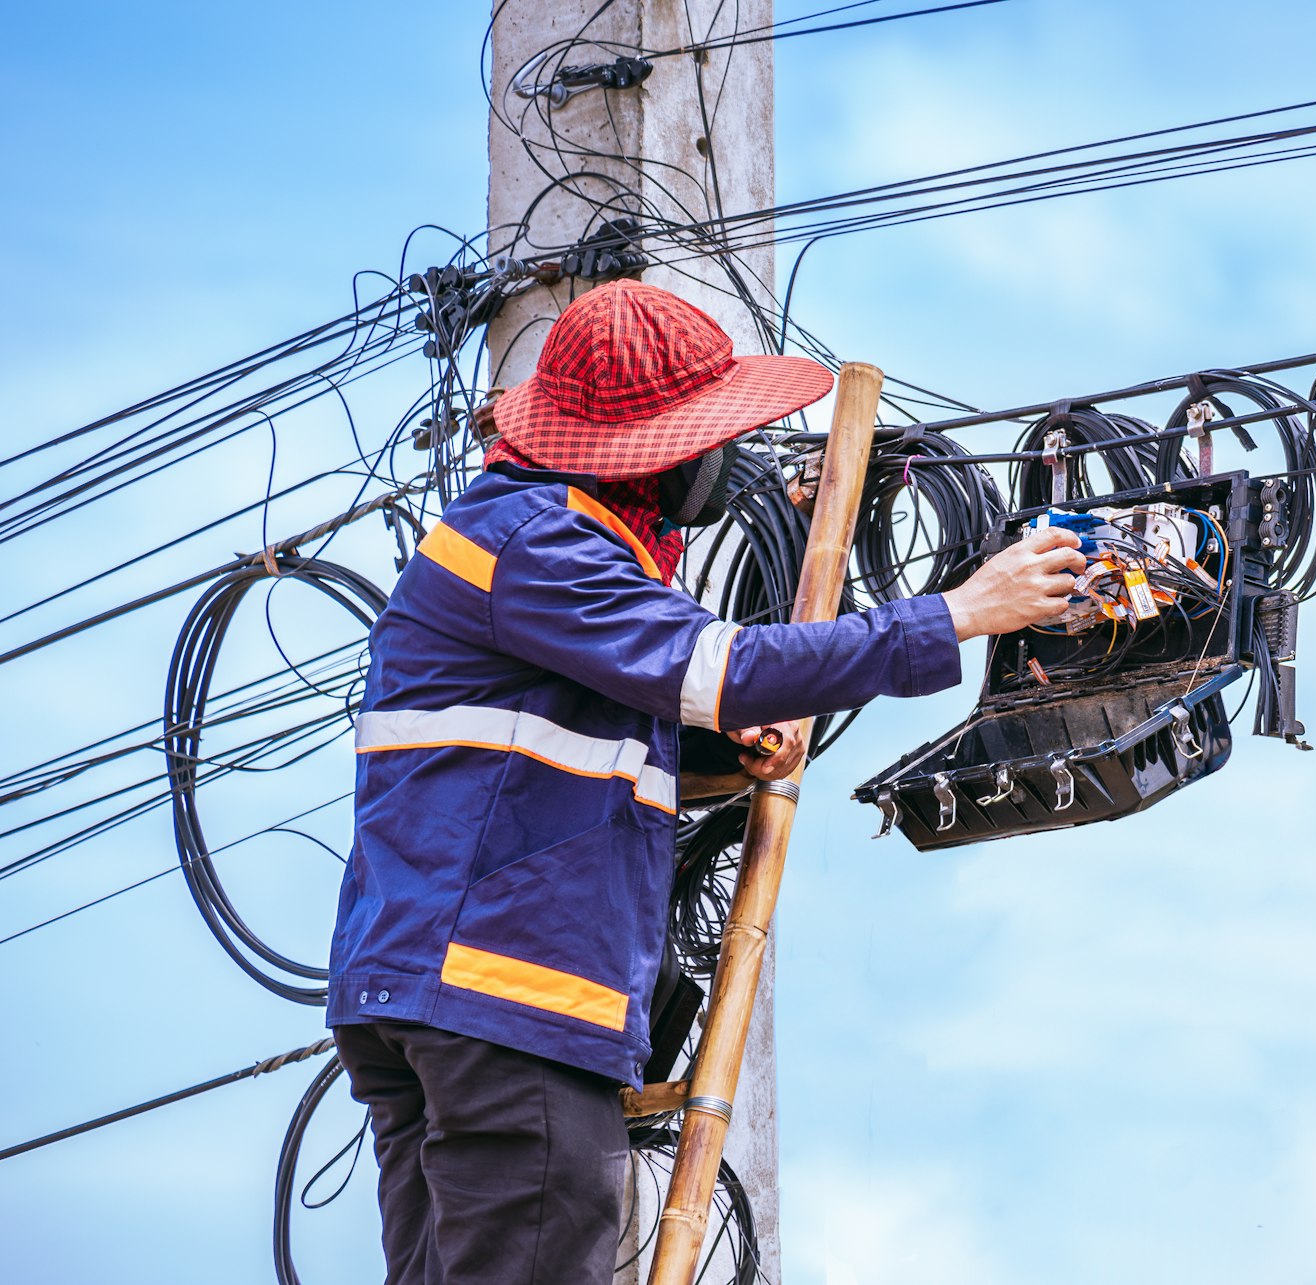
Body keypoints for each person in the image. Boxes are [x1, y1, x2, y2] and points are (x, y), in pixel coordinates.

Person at [326, 279, 1083, 1285]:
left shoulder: (522, 545)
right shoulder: (543, 544)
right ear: (668, 459)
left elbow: (540, 767)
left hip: (429, 988)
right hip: (497, 992)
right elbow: (726, 669)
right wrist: (960, 612)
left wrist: (719, 760)